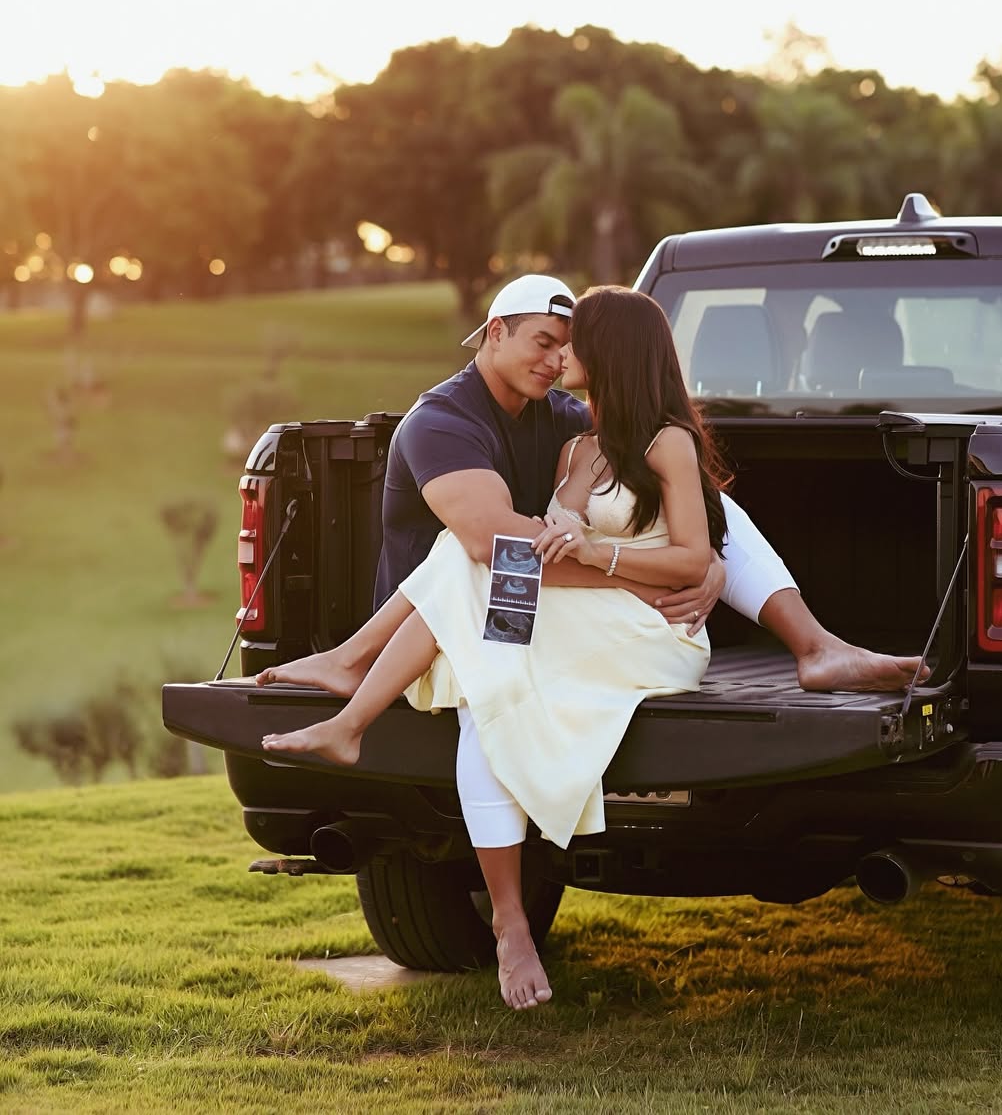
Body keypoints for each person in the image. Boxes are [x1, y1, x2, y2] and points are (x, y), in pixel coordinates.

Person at [257, 279, 923, 1011]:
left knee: (505, 581)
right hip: (534, 604)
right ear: (495, 332)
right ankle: (507, 922)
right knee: (480, 621)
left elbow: (666, 521)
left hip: (590, 615)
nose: (558, 357)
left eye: (570, 345)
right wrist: (627, 569)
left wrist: (702, 564)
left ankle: (815, 645)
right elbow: (495, 540)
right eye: (545, 342)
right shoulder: (454, 422)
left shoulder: (592, 419)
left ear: (605, 356)